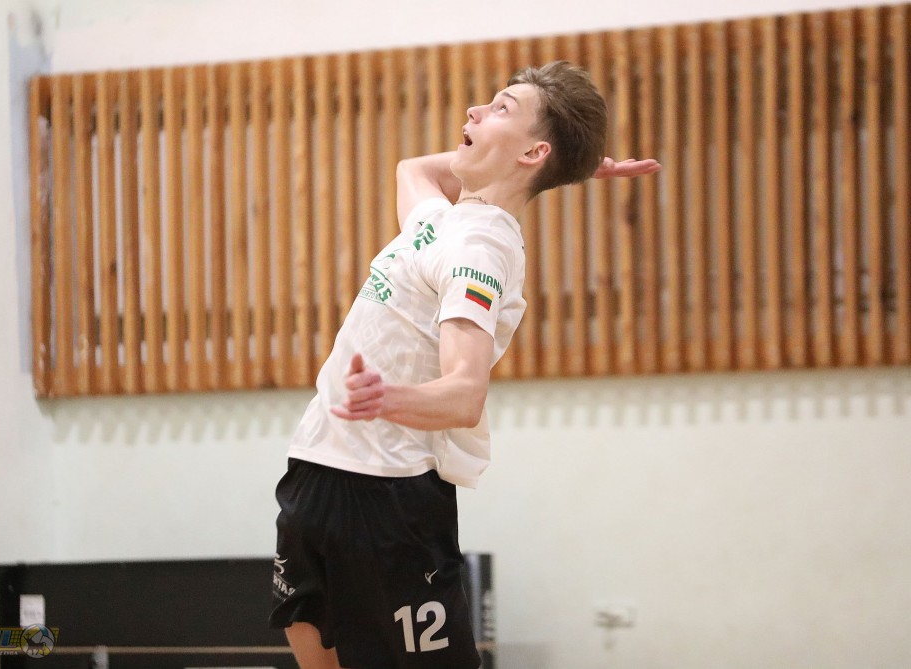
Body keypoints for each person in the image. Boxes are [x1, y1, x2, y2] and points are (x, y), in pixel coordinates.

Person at [269, 61, 660, 669]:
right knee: (315, 647)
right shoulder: (441, 220)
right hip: (317, 469)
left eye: (502, 108)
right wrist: (564, 167)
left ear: (532, 149)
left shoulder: (480, 249)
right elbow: (414, 169)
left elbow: (464, 394)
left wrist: (387, 398)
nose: (475, 110)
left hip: (387, 493)